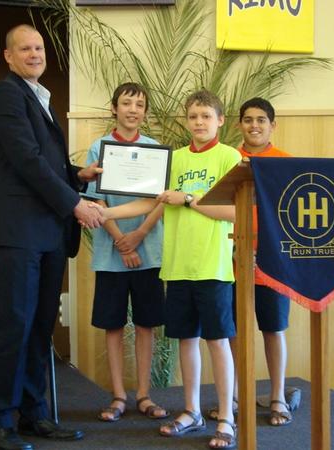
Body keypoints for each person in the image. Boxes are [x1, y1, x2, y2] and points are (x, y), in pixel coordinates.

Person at [0, 24, 102, 450]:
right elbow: (27, 161)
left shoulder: (40, 97)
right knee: (14, 325)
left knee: (38, 328)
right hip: (17, 232)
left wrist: (77, 175)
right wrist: (75, 203)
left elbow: (45, 163)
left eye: (39, 47)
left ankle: (34, 415)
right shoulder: (6, 94)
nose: (34, 54)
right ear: (8, 57)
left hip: (48, 233)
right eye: (24, 49)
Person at [98, 90, 240, 450]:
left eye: (206, 116)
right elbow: (151, 200)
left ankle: (225, 417)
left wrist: (190, 200)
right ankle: (191, 411)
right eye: (193, 116)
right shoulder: (173, 159)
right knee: (186, 340)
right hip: (176, 267)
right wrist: (105, 213)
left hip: (213, 266)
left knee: (218, 341)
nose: (199, 123)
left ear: (220, 120)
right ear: (186, 121)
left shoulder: (230, 157)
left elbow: (236, 212)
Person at [84, 82, 169, 423]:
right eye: (126, 103)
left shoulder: (154, 150)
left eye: (139, 104)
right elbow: (96, 200)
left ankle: (144, 395)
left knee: (147, 324)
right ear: (114, 108)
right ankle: (118, 395)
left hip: (148, 251)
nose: (133, 109)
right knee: (114, 325)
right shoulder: (98, 147)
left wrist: (140, 235)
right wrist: (121, 241)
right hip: (111, 253)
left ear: (145, 112)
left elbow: (162, 200)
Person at [208, 97, 294, 427]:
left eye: (261, 120)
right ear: (238, 124)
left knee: (273, 329)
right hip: (230, 261)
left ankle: (277, 397)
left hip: (273, 262)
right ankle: (236, 396)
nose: (254, 125)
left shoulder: (285, 162)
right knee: (234, 332)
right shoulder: (229, 159)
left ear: (273, 125)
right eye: (247, 119)